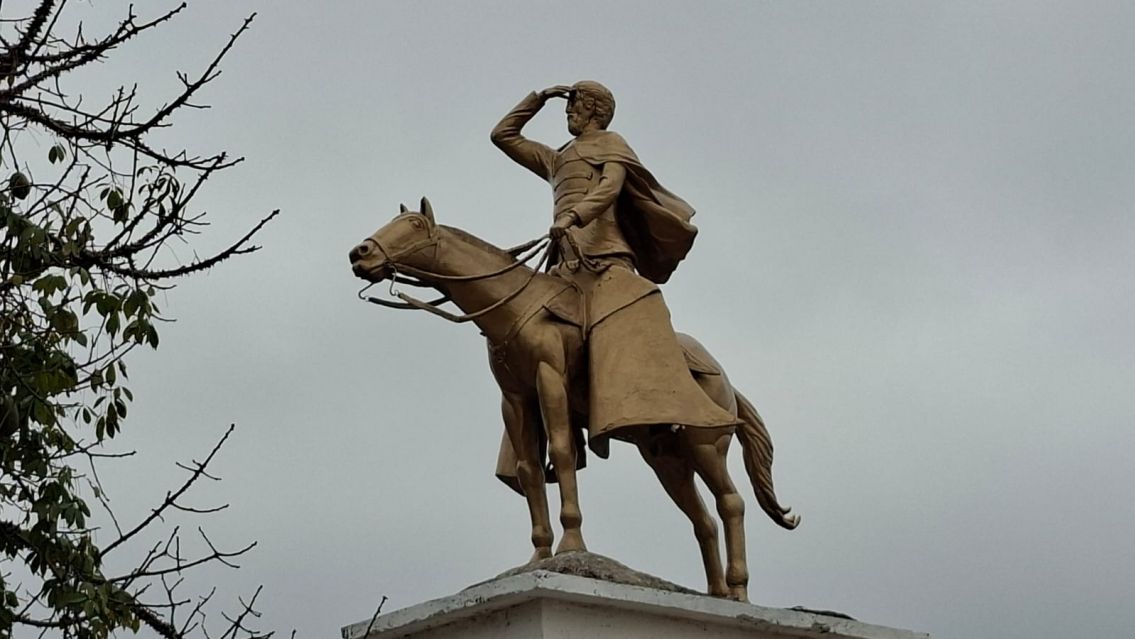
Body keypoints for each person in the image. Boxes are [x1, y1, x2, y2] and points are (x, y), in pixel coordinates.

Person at [490, 81, 739, 469]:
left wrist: (573, 217)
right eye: (567, 106)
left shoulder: (612, 144)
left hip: (607, 260)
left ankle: (658, 404)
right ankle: (545, 444)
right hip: (566, 267)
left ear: (594, 109)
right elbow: (503, 135)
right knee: (531, 342)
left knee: (632, 316)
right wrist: (538, 98)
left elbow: (608, 189)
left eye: (574, 106)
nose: (568, 113)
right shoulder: (558, 159)